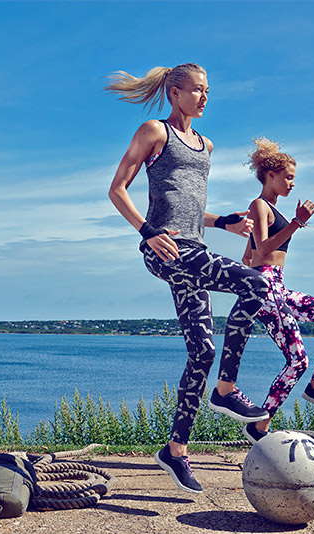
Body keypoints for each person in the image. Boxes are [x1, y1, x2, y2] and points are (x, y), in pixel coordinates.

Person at [106, 63, 270, 494]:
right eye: (197, 89)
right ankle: (226, 390)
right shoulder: (154, 132)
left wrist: (224, 222)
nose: (204, 97)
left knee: (202, 351)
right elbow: (117, 188)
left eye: (207, 91)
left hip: (194, 250)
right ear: (175, 92)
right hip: (167, 250)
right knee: (255, 284)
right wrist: (148, 232)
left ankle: (175, 451)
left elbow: (189, 206)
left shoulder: (206, 145)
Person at [241, 137, 314, 445]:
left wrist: (291, 224)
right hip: (266, 288)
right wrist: (298, 222)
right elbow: (263, 249)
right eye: (288, 177)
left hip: (278, 287)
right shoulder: (259, 205)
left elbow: (248, 256)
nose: (292, 183)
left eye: (294, 179)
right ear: (270, 175)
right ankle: (259, 426)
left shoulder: (273, 210)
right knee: (297, 360)